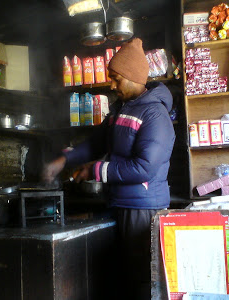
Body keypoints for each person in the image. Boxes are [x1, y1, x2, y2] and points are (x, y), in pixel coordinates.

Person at [43, 38, 175, 300]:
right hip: (119, 204)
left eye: (116, 78)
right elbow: (96, 143)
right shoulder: (121, 110)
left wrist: (95, 169)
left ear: (132, 76)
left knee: (140, 279)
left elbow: (144, 167)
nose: (111, 85)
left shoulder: (154, 115)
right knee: (120, 277)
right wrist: (64, 160)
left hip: (142, 209)